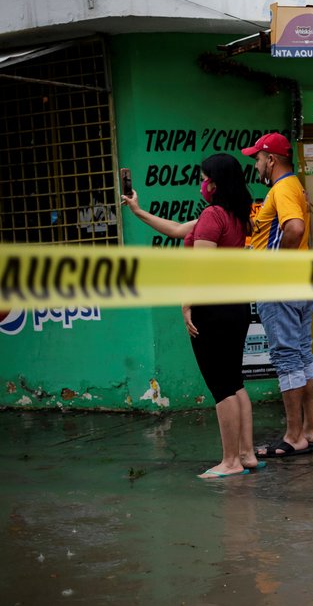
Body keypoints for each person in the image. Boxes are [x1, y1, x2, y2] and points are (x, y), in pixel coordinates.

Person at [122, 153, 260, 478]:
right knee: (234, 382)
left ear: (215, 182)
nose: (202, 183)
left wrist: (186, 304)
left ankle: (230, 462)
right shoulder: (233, 214)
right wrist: (138, 210)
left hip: (212, 309)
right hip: (235, 306)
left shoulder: (213, 215)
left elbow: (201, 269)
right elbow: (175, 229)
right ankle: (247, 454)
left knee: (221, 386)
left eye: (205, 177)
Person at [241, 132, 313, 458]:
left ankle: (293, 436)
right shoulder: (294, 186)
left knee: (287, 357)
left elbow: (294, 228)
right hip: (301, 283)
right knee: (302, 355)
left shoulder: (283, 188)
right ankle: (310, 430)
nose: (257, 164)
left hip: (281, 286)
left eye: (258, 159)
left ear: (271, 159)